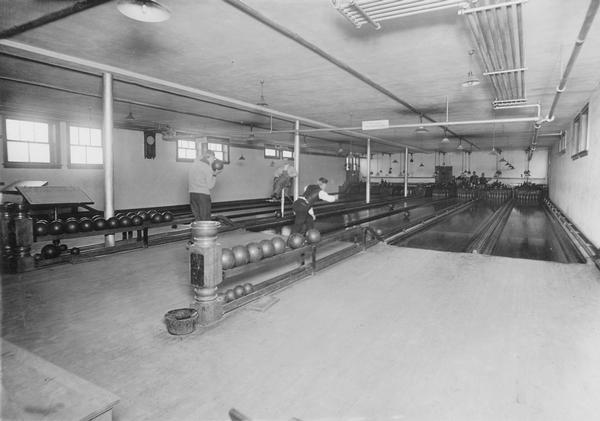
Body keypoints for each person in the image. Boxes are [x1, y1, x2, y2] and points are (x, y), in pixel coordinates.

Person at [188, 150, 221, 221]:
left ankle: (198, 232)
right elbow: (210, 186)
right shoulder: (207, 168)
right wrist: (215, 175)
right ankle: (206, 232)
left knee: (197, 218)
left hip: (192, 194)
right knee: (205, 219)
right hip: (203, 195)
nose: (213, 161)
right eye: (213, 158)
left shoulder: (193, 164)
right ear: (209, 157)